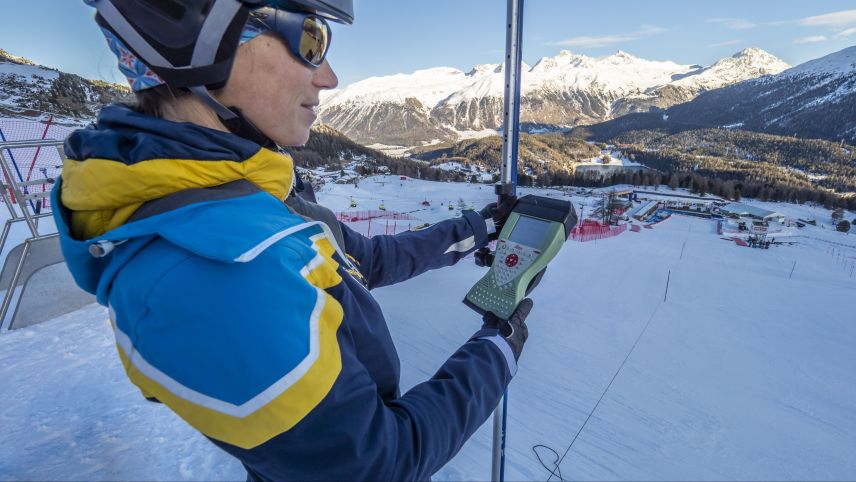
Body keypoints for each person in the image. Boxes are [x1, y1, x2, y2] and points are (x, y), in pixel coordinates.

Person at [54, 1, 534, 480]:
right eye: (311, 40)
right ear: (200, 43)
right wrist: (496, 349)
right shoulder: (207, 274)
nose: (328, 77)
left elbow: (366, 259)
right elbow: (378, 464)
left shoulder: (242, 195)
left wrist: (480, 228)